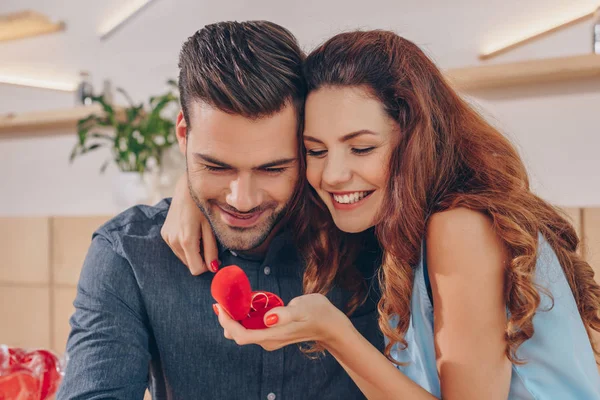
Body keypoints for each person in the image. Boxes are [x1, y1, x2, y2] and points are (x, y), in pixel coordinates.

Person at [164, 30, 600, 399]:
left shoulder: (460, 226)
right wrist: (194, 187)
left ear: (413, 137)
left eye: (362, 148)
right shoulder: (401, 228)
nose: (333, 174)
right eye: (315, 151)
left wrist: (335, 333)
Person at [56, 21, 383, 400]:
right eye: (216, 166)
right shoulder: (127, 255)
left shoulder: (364, 230)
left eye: (272, 168)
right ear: (183, 134)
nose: (242, 200)